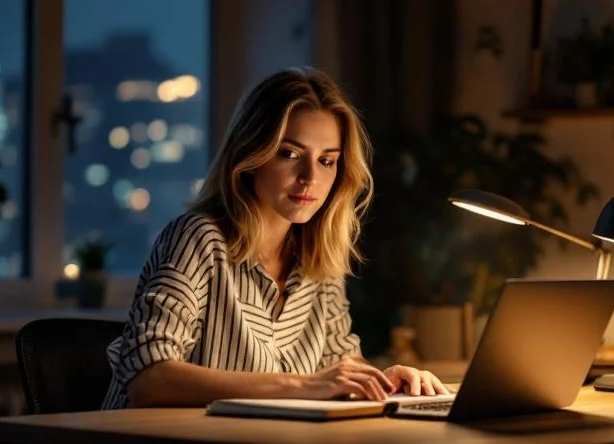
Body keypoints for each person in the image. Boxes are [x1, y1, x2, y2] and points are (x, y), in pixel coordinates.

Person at [102, 67, 450, 409]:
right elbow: (148, 380)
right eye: (290, 154)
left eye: (327, 160)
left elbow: (340, 371)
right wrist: (302, 385)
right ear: (251, 155)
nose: (310, 177)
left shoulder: (320, 262)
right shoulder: (199, 239)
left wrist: (385, 381)